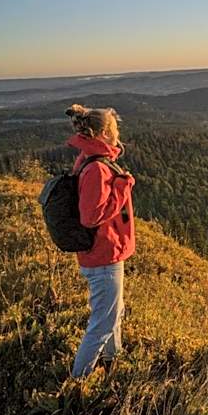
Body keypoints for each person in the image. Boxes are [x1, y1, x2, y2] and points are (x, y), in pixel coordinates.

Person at [64, 104, 135, 378]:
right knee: (102, 323)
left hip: (105, 253)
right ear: (104, 133)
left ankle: (112, 361)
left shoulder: (88, 159)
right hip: (103, 256)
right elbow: (91, 217)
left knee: (114, 313)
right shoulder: (97, 168)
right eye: (115, 131)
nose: (118, 136)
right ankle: (78, 380)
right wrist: (122, 187)